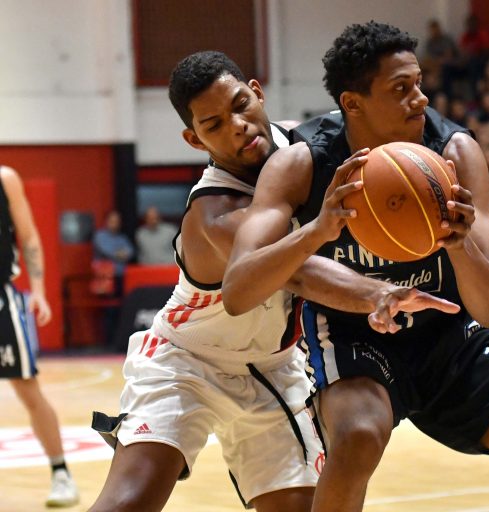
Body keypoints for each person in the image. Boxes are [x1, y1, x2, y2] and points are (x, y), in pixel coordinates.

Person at [224, 21, 489, 512]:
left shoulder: (455, 151)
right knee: (357, 437)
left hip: (450, 335)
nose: (420, 99)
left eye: (418, 83)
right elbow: (238, 291)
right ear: (352, 103)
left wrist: (460, 246)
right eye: (400, 89)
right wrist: (317, 229)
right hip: (353, 339)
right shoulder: (302, 164)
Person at [88, 50, 458, 512]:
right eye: (214, 125)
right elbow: (298, 272)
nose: (237, 126)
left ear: (257, 92)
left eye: (240, 106)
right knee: (129, 502)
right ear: (194, 139)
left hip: (274, 368)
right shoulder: (214, 211)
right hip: (186, 362)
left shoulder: (304, 150)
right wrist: (379, 292)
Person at [0, 165, 79, 507]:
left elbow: (29, 237)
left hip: (2, 299)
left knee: (28, 389)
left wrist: (38, 291)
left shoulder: (5, 179)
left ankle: (61, 474)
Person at [92, 210, 134, 296]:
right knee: (107, 302)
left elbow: (130, 252)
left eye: (117, 221)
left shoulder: (122, 238)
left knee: (122, 299)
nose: (114, 224)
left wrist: (119, 254)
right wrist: (120, 254)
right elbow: (108, 252)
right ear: (106, 222)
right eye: (112, 221)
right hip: (104, 277)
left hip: (121, 275)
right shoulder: (100, 236)